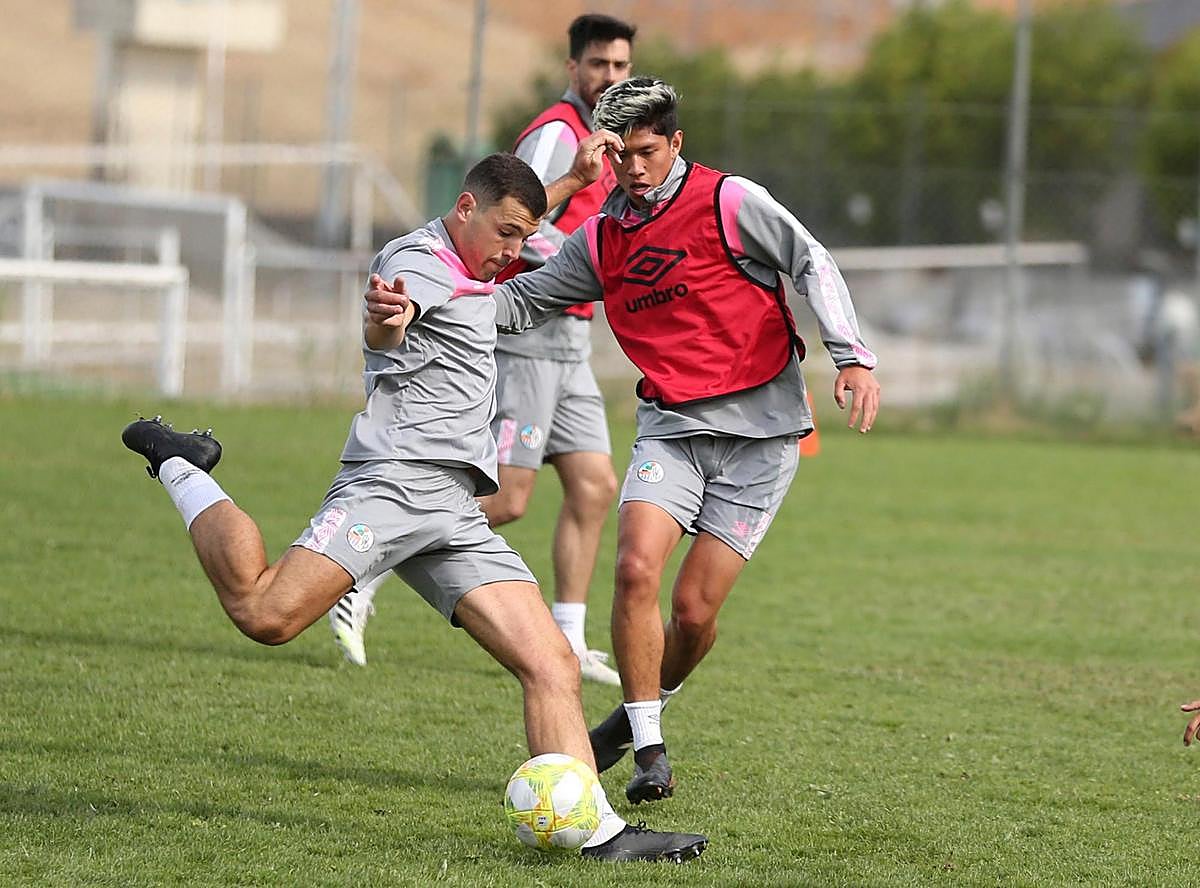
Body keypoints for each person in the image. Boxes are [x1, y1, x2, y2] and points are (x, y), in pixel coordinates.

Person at [121, 147, 707, 863]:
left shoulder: (480, 260)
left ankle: (601, 835)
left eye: (523, 237)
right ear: (465, 211)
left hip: (455, 508)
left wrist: (574, 185)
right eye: (507, 235)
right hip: (393, 487)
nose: (514, 253)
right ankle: (183, 465)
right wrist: (386, 320)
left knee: (550, 662)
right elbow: (388, 321)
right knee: (263, 613)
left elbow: (510, 210)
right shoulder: (418, 263)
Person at [366, 76, 881, 806]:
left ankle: (641, 709)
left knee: (696, 615)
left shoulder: (731, 202)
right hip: (670, 427)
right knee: (636, 566)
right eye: (623, 157)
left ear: (675, 144)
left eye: (648, 152)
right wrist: (421, 299)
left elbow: (812, 260)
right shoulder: (604, 236)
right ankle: (648, 751)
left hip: (761, 437)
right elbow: (515, 303)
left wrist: (852, 355)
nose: (634, 169)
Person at [329, 13, 637, 684]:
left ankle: (570, 638)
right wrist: (573, 231)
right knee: (510, 497)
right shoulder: (558, 134)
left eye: (620, 66)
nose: (609, 76)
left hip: (572, 337)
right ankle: (357, 566)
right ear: (573, 69)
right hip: (533, 334)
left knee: (593, 486)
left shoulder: (608, 141)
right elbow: (519, 217)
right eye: (598, 65)